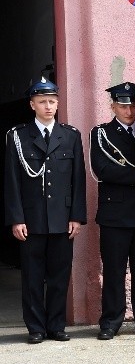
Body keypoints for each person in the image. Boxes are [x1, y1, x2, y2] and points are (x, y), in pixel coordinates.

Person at [3, 78, 87, 344]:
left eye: (52, 101)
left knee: (60, 276)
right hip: (32, 219)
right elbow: (12, 181)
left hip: (62, 219)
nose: (48, 106)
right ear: (32, 104)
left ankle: (56, 326)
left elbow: (78, 179)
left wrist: (76, 216)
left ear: (58, 103)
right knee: (32, 277)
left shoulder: (70, 135)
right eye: (42, 102)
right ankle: (36, 328)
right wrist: (16, 218)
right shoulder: (18, 136)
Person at [91, 82, 135, 340]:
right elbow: (102, 170)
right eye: (123, 105)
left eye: (133, 104)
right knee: (114, 271)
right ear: (113, 106)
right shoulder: (101, 134)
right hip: (115, 216)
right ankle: (111, 321)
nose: (129, 110)